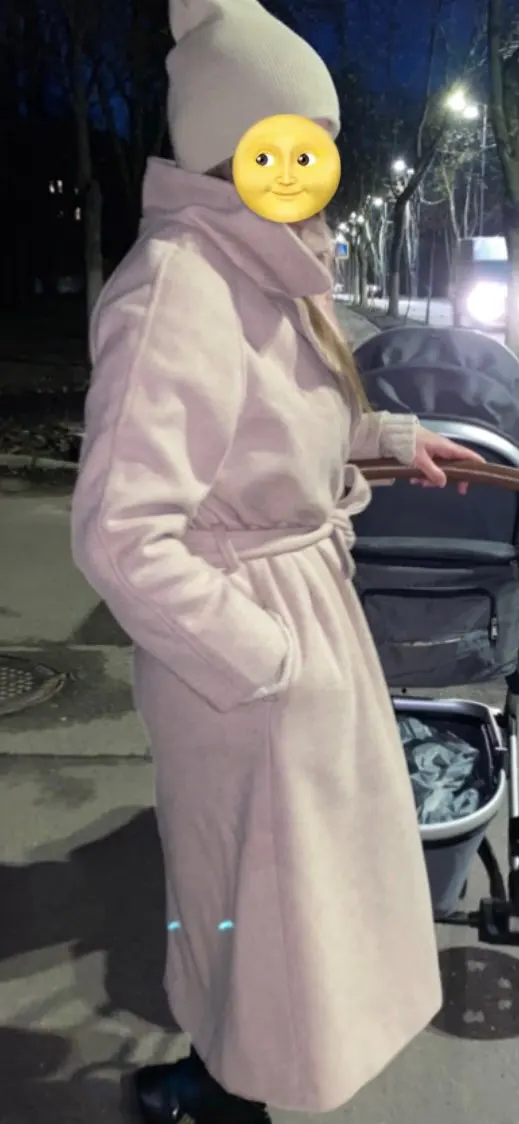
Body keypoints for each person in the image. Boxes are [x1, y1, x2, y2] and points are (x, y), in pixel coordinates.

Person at [70, 1, 484, 1121]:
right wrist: (267, 662)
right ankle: (226, 1087)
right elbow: (119, 532)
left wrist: (390, 439)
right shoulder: (178, 288)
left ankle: (236, 1076)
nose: (310, 165)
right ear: (231, 143)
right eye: (287, 138)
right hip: (243, 664)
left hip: (296, 633)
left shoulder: (257, 266)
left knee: (291, 911)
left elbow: (270, 437)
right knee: (253, 909)